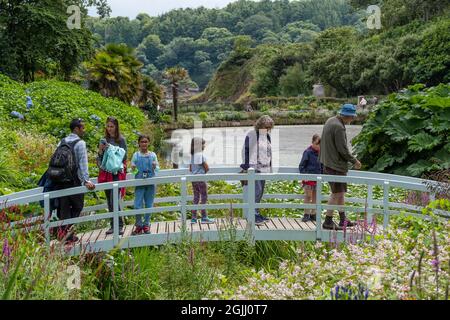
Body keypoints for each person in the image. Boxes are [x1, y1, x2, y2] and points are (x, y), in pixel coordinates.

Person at [51, 118, 96, 242]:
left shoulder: (62, 141)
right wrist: (86, 180)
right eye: (83, 128)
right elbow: (83, 164)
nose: (84, 130)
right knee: (78, 205)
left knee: (64, 207)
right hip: (73, 180)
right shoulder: (80, 143)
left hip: (60, 179)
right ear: (76, 129)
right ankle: (66, 233)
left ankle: (64, 234)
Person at [319, 104, 362, 230]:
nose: (352, 120)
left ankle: (343, 219)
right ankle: (328, 221)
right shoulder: (339, 127)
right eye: (352, 117)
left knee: (340, 193)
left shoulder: (330, 120)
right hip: (335, 165)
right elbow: (342, 149)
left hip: (328, 163)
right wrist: (354, 161)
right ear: (347, 116)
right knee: (336, 193)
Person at [240, 115, 274, 226]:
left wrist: (270, 166)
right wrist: (246, 167)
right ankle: (253, 215)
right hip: (254, 168)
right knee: (256, 191)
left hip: (264, 168)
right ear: (260, 125)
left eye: (269, 128)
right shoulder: (252, 135)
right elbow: (245, 151)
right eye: (265, 127)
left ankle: (256, 212)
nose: (267, 129)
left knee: (260, 192)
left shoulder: (267, 137)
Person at [97, 117, 128, 235]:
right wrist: (101, 150)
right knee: (109, 200)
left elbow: (124, 157)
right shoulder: (103, 140)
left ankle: (119, 225)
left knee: (114, 199)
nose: (109, 129)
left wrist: (112, 150)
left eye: (112, 126)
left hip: (116, 172)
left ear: (116, 127)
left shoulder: (121, 140)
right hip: (106, 172)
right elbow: (99, 158)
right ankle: (113, 225)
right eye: (108, 126)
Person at [131, 135, 160, 235]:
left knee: (149, 204)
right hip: (139, 183)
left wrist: (155, 166)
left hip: (150, 183)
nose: (144, 144)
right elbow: (132, 171)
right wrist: (133, 168)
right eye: (142, 142)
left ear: (148, 143)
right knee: (137, 205)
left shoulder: (153, 155)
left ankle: (146, 224)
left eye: (146, 142)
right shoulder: (136, 155)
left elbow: (157, 170)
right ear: (139, 143)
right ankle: (139, 225)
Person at [189, 137, 215, 224]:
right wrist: (203, 171)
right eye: (203, 144)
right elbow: (207, 168)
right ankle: (204, 217)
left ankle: (193, 218)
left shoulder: (192, 156)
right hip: (201, 179)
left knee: (196, 198)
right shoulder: (200, 155)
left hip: (194, 179)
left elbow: (190, 168)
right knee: (204, 197)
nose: (204, 146)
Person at [299, 134, 323, 223]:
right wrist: (304, 176)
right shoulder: (307, 152)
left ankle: (313, 214)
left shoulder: (321, 154)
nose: (319, 146)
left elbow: (322, 166)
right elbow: (301, 166)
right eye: (317, 144)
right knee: (308, 196)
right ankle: (306, 214)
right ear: (312, 142)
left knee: (315, 197)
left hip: (318, 178)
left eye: (321, 145)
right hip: (308, 178)